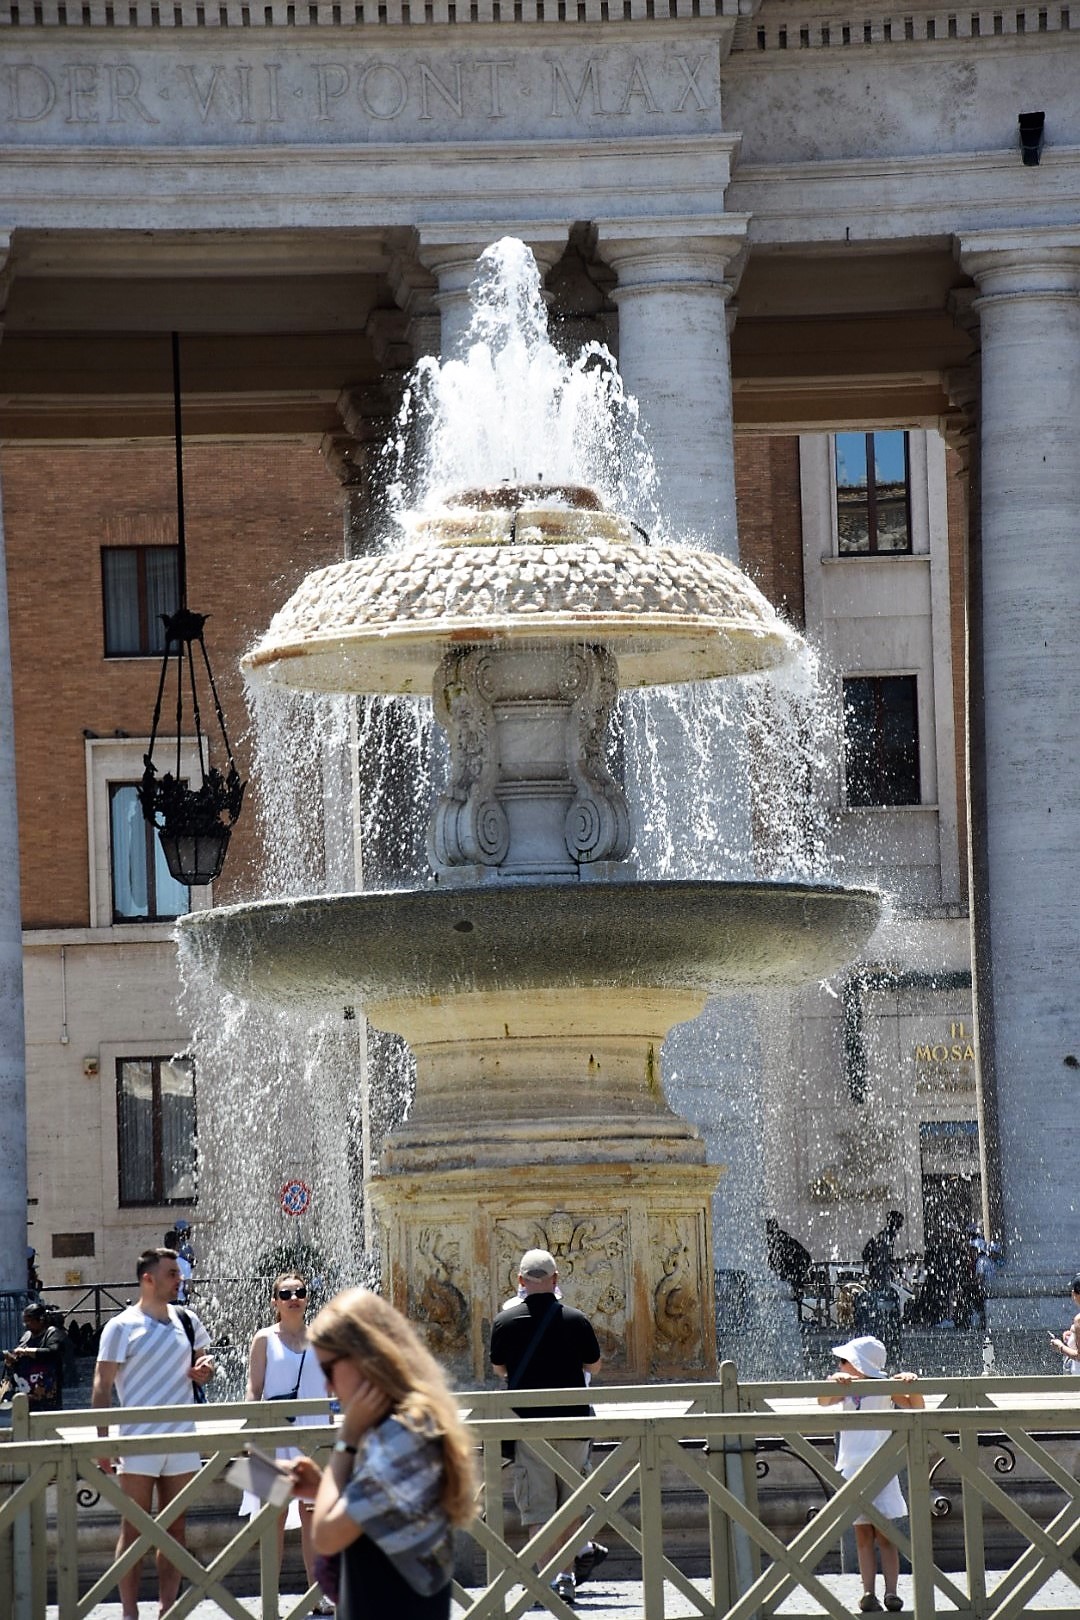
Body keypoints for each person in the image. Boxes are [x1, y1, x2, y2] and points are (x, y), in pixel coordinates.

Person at [287, 1288, 476, 1620]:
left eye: (328, 1370)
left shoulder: (403, 1434)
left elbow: (327, 1536)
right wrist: (324, 1490)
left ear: (365, 1357)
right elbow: (384, 1514)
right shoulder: (404, 1424)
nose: (327, 1387)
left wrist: (346, 1439)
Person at [92, 1247, 215, 1619]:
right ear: (149, 1279)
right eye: (172, 1274)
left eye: (178, 1274)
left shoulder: (187, 1319)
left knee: (176, 1529)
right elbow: (102, 1385)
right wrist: (103, 1442)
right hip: (137, 1440)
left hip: (181, 1436)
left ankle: (168, 1609)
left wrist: (205, 1368)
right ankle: (130, 1613)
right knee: (134, 1531)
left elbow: (204, 1361)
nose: (180, 1280)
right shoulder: (121, 1326)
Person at [490, 1248, 603, 1607]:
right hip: (572, 1424)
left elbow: (499, 1370)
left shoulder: (504, 1322)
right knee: (570, 1507)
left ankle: (547, 1581)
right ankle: (568, 1578)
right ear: (555, 1281)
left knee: (538, 1508)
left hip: (529, 1428)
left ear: (520, 1282)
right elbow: (594, 1366)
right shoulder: (576, 1319)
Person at [241, 1272, 330, 1612]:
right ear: (274, 1301)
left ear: (307, 1298)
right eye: (286, 1293)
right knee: (271, 1520)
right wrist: (251, 1434)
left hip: (314, 1434)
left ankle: (316, 1596)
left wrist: (332, 1437)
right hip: (272, 1433)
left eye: (300, 1292)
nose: (294, 1297)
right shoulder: (263, 1338)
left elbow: (330, 1391)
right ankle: (270, 1600)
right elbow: (254, 1387)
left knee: (313, 1517)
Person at [818, 1334, 924, 1613]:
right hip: (852, 1466)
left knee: (886, 1535)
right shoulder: (845, 1387)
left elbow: (916, 1407)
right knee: (863, 1535)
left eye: (844, 1361)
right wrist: (832, 1381)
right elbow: (822, 1400)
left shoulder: (884, 1387)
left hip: (881, 1465)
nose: (839, 1365)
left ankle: (891, 1592)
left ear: (859, 1364)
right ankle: (868, 1592)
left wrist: (912, 1385)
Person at [1, 1301, 66, 1410]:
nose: (26, 1325)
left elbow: (53, 1352)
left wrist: (26, 1352)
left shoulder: (52, 1333)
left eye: (29, 1321)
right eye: (25, 1321)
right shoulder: (27, 1336)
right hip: (26, 1394)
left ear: (40, 1320)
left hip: (46, 1395)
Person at [1048, 1276, 1080, 1373]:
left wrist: (1060, 1347)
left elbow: (1079, 1357)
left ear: (1074, 1294)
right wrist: (1073, 1338)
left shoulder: (1078, 1320)